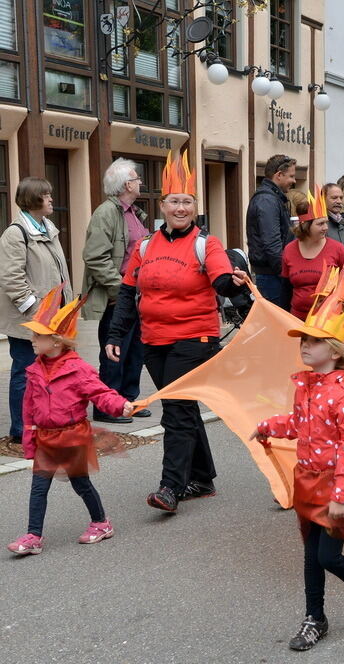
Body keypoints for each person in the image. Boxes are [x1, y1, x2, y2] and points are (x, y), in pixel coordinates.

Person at [105, 151, 247, 513]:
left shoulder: (207, 243)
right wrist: (114, 336)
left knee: (176, 410)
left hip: (195, 338)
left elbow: (220, 279)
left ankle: (171, 486)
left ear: (194, 207)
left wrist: (232, 285)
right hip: (153, 341)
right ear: (163, 205)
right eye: (173, 201)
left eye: (186, 202)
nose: (180, 208)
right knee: (183, 409)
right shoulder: (146, 246)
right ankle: (203, 478)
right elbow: (127, 293)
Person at [250, 266, 344, 651]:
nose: (304, 345)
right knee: (311, 556)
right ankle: (315, 618)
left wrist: (341, 496)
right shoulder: (306, 386)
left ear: (337, 349)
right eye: (303, 339)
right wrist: (270, 426)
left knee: (328, 556)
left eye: (314, 340)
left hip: (336, 487)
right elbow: (300, 423)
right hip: (307, 480)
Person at [7, 288, 135, 556]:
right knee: (38, 487)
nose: (31, 340)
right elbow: (28, 411)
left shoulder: (78, 370)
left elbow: (101, 393)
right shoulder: (34, 371)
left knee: (81, 484)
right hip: (46, 439)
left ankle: (101, 522)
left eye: (37, 336)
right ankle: (33, 536)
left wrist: (121, 405)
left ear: (55, 341)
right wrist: (30, 443)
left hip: (72, 437)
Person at [0, 176, 72, 447]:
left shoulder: (47, 227)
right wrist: (34, 308)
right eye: (46, 195)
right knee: (24, 371)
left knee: (45, 373)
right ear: (33, 200)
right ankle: (21, 430)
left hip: (51, 317)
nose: (52, 199)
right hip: (29, 321)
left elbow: (56, 272)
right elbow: (11, 278)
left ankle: (41, 422)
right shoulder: (15, 233)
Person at [81, 158, 151, 424]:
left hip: (137, 295)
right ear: (125, 184)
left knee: (135, 351)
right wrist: (120, 288)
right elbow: (95, 256)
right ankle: (107, 406)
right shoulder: (106, 213)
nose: (140, 182)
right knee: (114, 352)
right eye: (136, 178)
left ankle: (127, 402)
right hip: (118, 296)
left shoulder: (133, 212)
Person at [280, 187, 344, 320]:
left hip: (328, 321)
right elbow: (285, 290)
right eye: (320, 224)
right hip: (298, 320)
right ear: (305, 225)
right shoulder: (289, 250)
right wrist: (285, 319)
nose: (326, 228)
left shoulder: (337, 249)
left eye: (326, 223)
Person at [246, 155, 297, 307]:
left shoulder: (271, 198)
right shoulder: (267, 200)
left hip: (272, 274)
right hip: (272, 276)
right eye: (292, 176)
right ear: (279, 175)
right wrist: (286, 274)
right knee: (277, 325)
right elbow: (272, 243)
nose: (294, 181)